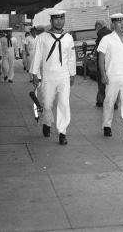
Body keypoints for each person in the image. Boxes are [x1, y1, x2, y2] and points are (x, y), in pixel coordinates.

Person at [30, 9, 76, 145]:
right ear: (51, 21)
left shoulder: (68, 38)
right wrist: (34, 74)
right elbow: (37, 56)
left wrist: (72, 74)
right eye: (56, 19)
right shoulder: (43, 37)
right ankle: (47, 122)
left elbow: (71, 58)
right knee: (48, 103)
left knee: (64, 103)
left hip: (64, 76)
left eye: (62, 18)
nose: (59, 21)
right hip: (48, 76)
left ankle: (62, 132)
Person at [97, 13, 123, 143]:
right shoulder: (106, 39)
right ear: (113, 24)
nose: (122, 24)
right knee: (109, 102)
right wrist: (103, 75)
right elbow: (101, 58)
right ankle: (107, 125)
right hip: (112, 76)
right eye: (119, 22)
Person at [94, 20, 112, 107]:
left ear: (98, 27)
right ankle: (114, 103)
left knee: (101, 83)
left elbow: (99, 50)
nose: (96, 30)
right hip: (111, 62)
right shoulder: (111, 33)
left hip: (103, 61)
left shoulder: (100, 34)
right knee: (111, 84)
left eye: (96, 27)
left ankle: (101, 101)